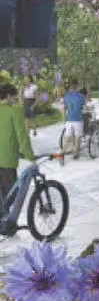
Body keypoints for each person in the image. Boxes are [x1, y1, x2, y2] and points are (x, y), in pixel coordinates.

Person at [0, 82, 34, 235]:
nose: (16, 99)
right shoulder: (15, 111)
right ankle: (6, 225)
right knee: (12, 193)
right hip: (6, 161)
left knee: (2, 194)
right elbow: (22, 136)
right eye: (14, 96)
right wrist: (30, 156)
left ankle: (4, 222)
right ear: (8, 96)